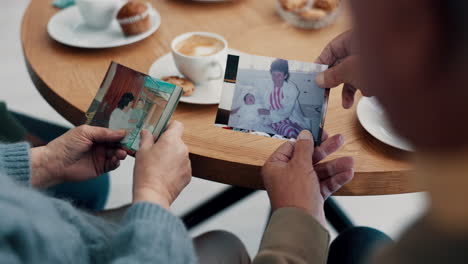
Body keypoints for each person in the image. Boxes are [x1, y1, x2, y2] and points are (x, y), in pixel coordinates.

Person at [257, 59, 306, 138]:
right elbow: (259, 99)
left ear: (285, 76)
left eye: (279, 75)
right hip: (272, 120)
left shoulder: (291, 89)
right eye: (273, 75)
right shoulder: (267, 85)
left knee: (294, 132)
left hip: (288, 118)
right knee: (288, 131)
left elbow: (286, 112)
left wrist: (269, 112)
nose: (275, 78)